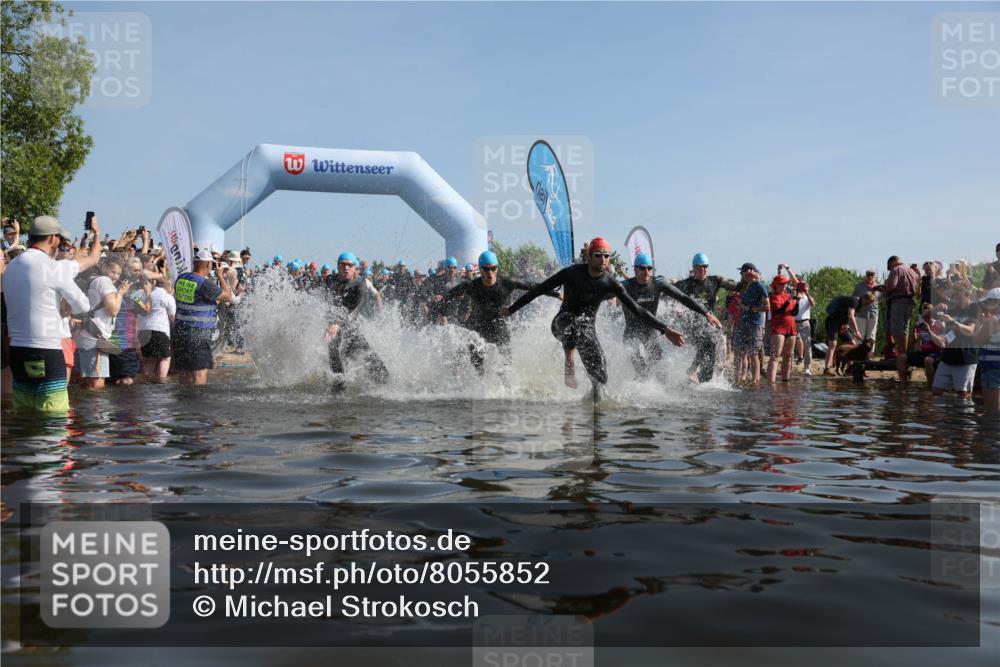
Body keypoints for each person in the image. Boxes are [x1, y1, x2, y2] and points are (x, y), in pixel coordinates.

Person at [502, 237, 684, 397]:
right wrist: (511, 309)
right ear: (589, 257)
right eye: (598, 255)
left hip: (587, 331)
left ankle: (594, 409)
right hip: (562, 323)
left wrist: (665, 329)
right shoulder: (571, 273)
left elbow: (637, 310)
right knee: (574, 322)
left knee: (601, 380)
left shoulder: (611, 283)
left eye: (606, 256)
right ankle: (569, 361)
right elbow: (538, 290)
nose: (602, 259)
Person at [2, 216, 90, 411]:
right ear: (52, 238)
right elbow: (83, 306)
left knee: (25, 412)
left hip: (17, 351)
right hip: (46, 351)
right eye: (59, 238)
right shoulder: (53, 267)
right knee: (54, 415)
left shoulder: (12, 266)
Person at [435, 250, 557, 376]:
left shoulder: (507, 282)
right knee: (477, 365)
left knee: (505, 364)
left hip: (498, 324)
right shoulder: (472, 285)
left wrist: (556, 294)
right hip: (477, 325)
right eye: (486, 269)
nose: (490, 273)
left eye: (493, 269)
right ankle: (478, 382)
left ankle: (504, 384)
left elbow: (534, 286)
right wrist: (441, 308)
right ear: (480, 270)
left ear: (497, 268)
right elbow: (448, 296)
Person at [621, 253, 721, 380]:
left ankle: (657, 389)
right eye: (642, 268)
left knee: (660, 369)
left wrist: (705, 313)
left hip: (650, 332)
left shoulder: (658, 283)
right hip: (632, 334)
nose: (646, 272)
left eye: (649, 268)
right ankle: (635, 388)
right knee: (642, 369)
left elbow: (683, 298)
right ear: (635, 269)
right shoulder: (626, 285)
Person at [324, 251, 388, 392]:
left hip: (351, 330)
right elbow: (328, 303)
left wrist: (336, 324)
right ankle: (337, 390)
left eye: (349, 265)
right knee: (333, 350)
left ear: (355, 268)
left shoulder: (361, 284)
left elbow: (355, 310)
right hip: (334, 329)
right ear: (338, 267)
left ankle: (383, 388)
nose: (346, 268)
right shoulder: (331, 281)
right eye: (342, 265)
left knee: (381, 372)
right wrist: (331, 323)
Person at [173, 248, 233, 385]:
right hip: (198, 335)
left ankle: (183, 397)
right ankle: (199, 398)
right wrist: (220, 276)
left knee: (185, 372)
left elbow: (195, 299)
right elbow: (228, 297)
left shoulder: (181, 279)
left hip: (180, 332)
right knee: (199, 374)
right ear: (208, 264)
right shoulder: (205, 283)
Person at [673, 252, 733, 382]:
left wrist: (748, 281)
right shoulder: (686, 284)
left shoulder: (714, 281)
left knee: (710, 343)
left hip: (708, 324)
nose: (702, 269)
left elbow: (737, 287)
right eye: (699, 267)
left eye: (705, 266)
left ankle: (695, 374)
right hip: (691, 324)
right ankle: (696, 372)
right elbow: (668, 290)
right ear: (694, 268)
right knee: (708, 341)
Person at [75, 255, 131, 390]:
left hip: (85, 333)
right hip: (95, 337)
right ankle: (95, 405)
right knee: (97, 383)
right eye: (113, 272)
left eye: (118, 273)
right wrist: (121, 293)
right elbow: (113, 310)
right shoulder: (104, 281)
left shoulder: (91, 280)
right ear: (104, 268)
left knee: (87, 380)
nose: (116, 277)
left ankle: (84, 404)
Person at [108, 257, 152, 385]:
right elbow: (146, 310)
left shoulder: (115, 285)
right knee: (127, 380)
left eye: (139, 270)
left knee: (114, 381)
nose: (138, 273)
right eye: (135, 270)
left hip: (112, 341)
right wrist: (148, 292)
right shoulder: (131, 291)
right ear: (126, 270)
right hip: (125, 343)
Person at [930, 288, 979, 399]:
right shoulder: (952, 309)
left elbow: (970, 330)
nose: (957, 300)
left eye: (959, 297)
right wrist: (935, 309)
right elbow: (948, 333)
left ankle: (963, 411)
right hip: (948, 357)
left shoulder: (974, 308)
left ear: (968, 296)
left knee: (963, 394)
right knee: (936, 390)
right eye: (955, 297)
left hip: (966, 357)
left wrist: (952, 321)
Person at [884, 255, 921, 383]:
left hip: (898, 301)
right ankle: (903, 354)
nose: (890, 269)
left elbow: (892, 285)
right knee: (905, 328)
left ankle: (901, 354)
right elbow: (917, 286)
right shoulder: (911, 271)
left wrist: (885, 291)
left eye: (889, 267)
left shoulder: (896, 269)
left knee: (896, 328)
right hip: (910, 302)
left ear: (892, 263)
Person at [731, 263, 769, 385]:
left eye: (742, 271)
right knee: (737, 352)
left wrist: (750, 308)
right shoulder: (744, 286)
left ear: (749, 272)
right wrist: (741, 306)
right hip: (742, 323)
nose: (740, 274)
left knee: (753, 353)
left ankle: (755, 381)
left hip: (755, 324)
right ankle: (736, 380)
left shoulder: (760, 286)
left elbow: (767, 307)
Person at [822, 292, 873, 375]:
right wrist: (856, 331)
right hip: (832, 322)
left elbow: (848, 317)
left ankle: (849, 369)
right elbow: (850, 315)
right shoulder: (855, 301)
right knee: (833, 344)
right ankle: (827, 369)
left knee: (852, 343)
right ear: (864, 298)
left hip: (842, 324)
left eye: (869, 304)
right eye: (867, 303)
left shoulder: (860, 306)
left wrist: (847, 325)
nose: (867, 305)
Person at [139, 277, 176, 382]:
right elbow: (172, 318)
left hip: (144, 331)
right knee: (165, 358)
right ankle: (161, 382)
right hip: (159, 330)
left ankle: (144, 383)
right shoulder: (167, 297)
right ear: (169, 287)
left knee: (150, 359)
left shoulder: (144, 295)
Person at [766, 269, 799, 383]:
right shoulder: (773, 297)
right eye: (782, 284)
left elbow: (794, 313)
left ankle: (786, 380)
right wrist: (790, 299)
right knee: (775, 356)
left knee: (788, 356)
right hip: (779, 328)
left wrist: (797, 301)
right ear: (775, 286)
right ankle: (771, 382)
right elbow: (780, 311)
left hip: (791, 328)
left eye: (785, 284)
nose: (784, 286)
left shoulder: (788, 296)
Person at [972, 288, 1000, 415]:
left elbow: (977, 340)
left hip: (993, 368)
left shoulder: (992, 320)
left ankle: (993, 427)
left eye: (988, 302)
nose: (986, 305)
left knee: (992, 407)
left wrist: (980, 321)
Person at [908, 303, 943, 387]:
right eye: (923, 309)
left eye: (927, 308)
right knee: (901, 358)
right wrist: (914, 332)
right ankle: (903, 385)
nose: (925, 310)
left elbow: (941, 342)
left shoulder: (938, 324)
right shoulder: (920, 325)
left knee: (927, 360)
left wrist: (929, 331)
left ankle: (931, 386)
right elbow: (915, 341)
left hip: (936, 351)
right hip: (923, 351)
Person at [794, 281, 816, 375]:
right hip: (793, 322)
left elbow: (813, 304)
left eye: (805, 287)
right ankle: (789, 365)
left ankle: (807, 367)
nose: (803, 289)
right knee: (790, 344)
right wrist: (796, 299)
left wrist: (807, 293)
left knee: (807, 345)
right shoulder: (795, 296)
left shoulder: (808, 297)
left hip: (804, 322)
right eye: (802, 287)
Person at [853, 270, 881, 341]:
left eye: (872, 275)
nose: (870, 276)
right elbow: (854, 299)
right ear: (866, 275)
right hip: (860, 314)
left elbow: (880, 299)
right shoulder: (859, 286)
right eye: (868, 275)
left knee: (871, 336)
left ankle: (870, 349)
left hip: (873, 314)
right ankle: (858, 348)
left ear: (875, 276)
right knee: (859, 336)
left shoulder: (879, 288)